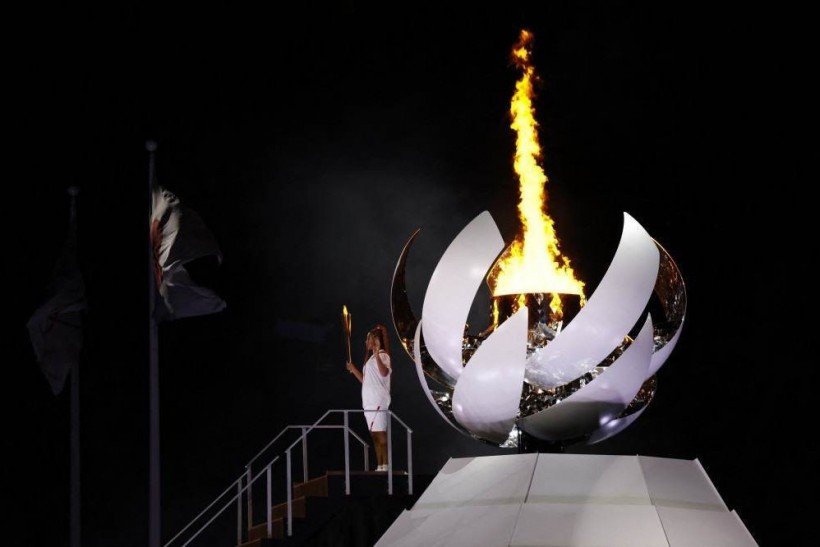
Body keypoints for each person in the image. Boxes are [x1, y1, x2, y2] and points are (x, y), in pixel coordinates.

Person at [346, 324, 392, 472]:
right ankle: (380, 465)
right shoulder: (371, 359)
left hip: (378, 399)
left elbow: (384, 373)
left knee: (380, 434)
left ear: (375, 340)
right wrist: (354, 370)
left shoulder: (383, 355)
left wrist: (378, 353)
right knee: (375, 435)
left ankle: (386, 466)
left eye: (368, 339)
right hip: (368, 402)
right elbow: (365, 380)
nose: (366, 342)